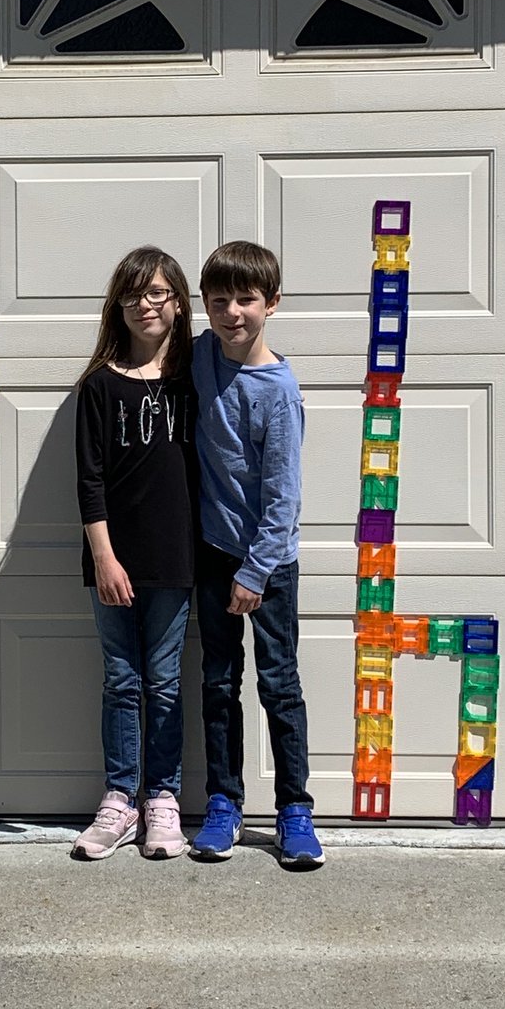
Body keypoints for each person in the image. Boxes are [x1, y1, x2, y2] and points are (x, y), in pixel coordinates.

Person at [188, 241, 324, 868]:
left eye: (246, 300)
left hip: (267, 564)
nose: (232, 312)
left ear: (272, 303)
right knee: (219, 683)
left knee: (279, 685)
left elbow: (282, 499)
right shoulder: (199, 356)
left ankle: (295, 810)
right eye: (219, 301)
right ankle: (224, 804)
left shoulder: (278, 391)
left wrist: (255, 572)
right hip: (213, 553)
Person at [72, 246, 199, 861]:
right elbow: (88, 479)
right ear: (116, 306)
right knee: (122, 680)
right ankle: (120, 799)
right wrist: (103, 558)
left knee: (165, 682)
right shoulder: (98, 387)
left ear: (178, 301)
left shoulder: (196, 379)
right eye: (133, 294)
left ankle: (163, 802)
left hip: (174, 557)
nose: (145, 304)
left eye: (157, 293)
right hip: (111, 561)